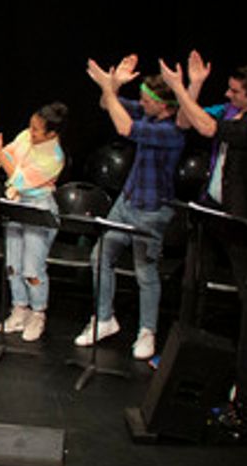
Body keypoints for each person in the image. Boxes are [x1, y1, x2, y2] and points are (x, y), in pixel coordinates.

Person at [77, 55, 185, 360]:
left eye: (146, 99)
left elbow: (125, 128)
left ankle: (147, 331)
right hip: (127, 201)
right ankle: (104, 318)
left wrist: (109, 88)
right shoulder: (149, 115)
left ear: (163, 105)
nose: (141, 102)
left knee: (144, 271)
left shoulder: (170, 132)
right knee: (100, 257)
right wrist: (111, 87)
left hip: (152, 209)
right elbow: (106, 105)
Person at [0, 102, 68, 341]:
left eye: (37, 130)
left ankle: (38, 313)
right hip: (16, 205)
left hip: (38, 208)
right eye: (31, 126)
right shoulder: (26, 136)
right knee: (13, 264)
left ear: (52, 133)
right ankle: (19, 308)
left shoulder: (55, 156)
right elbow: (7, 155)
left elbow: (20, 180)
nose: (31, 132)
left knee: (32, 268)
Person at [158, 53, 247, 220]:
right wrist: (195, 85)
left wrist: (178, 89)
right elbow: (184, 121)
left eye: (235, 91)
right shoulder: (226, 110)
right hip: (212, 202)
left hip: (239, 213)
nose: (228, 94)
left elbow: (209, 128)